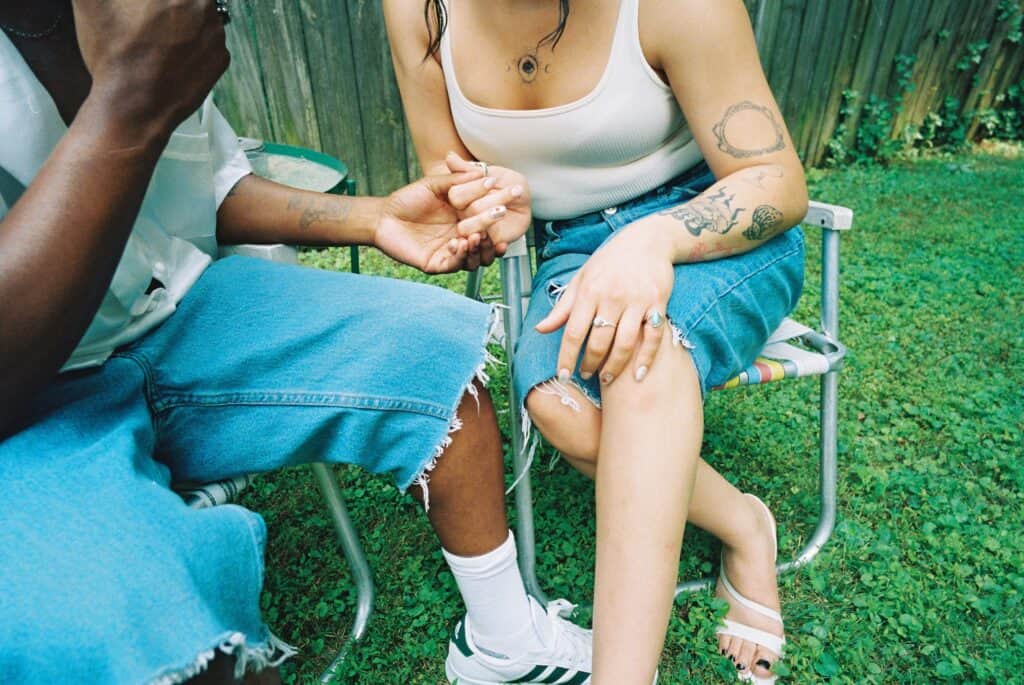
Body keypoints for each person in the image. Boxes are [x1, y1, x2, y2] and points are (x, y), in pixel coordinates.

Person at [0, 1, 594, 683]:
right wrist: (125, 104)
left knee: (434, 352)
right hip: (28, 404)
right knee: (136, 632)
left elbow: (208, 187)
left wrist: (376, 219)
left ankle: (504, 640)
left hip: (168, 306)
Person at [385, 0, 808, 682]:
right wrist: (493, 201)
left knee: (644, 355)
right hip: (573, 246)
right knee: (558, 403)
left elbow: (778, 185)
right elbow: (452, 177)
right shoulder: (416, 9)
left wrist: (654, 239)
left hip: (712, 225)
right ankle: (744, 523)